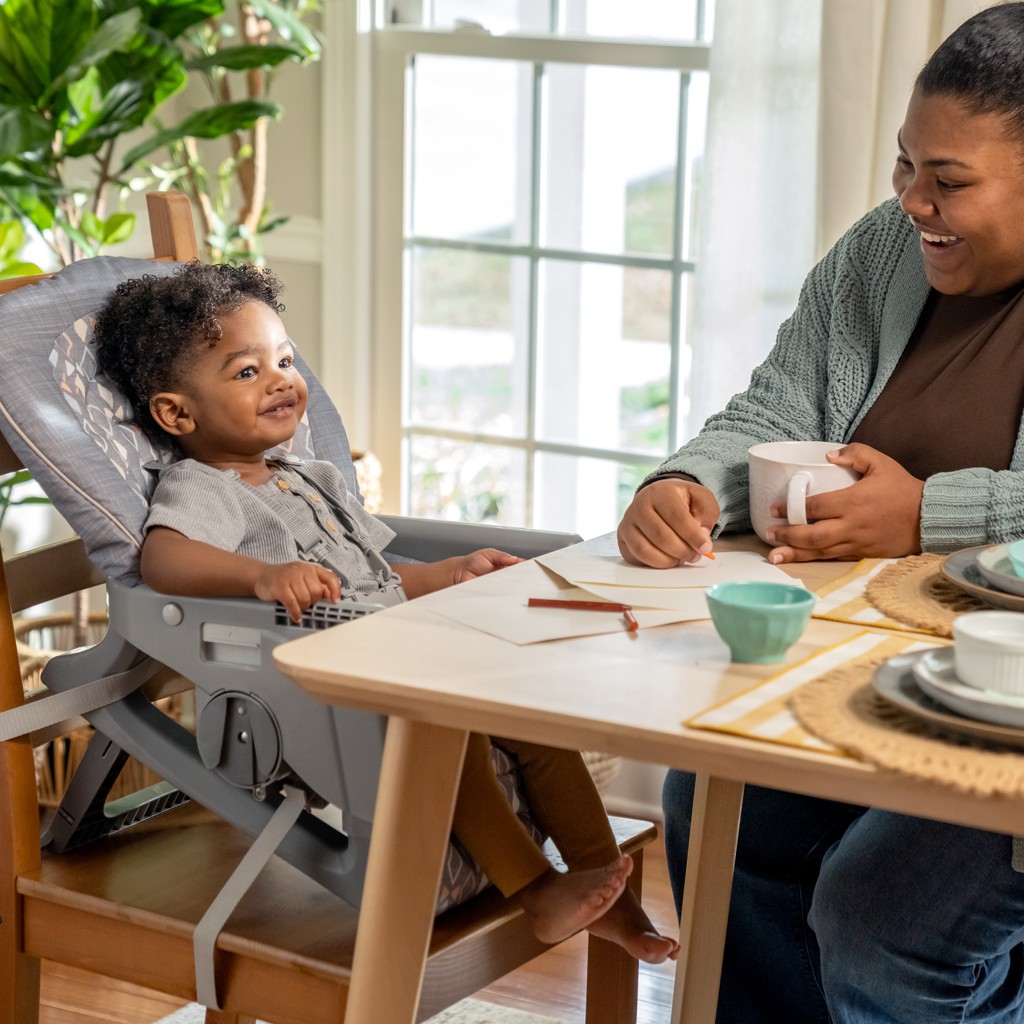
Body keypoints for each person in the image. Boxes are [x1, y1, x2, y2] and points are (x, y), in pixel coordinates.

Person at [617, 3, 1024, 1020]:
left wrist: (930, 511)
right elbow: (771, 408)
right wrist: (687, 482)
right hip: (866, 660)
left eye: (948, 179)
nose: (912, 201)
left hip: (1008, 710)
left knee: (881, 919)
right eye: (904, 165)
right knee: (716, 803)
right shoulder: (881, 251)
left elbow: (930, 514)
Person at [93, 260, 679, 964]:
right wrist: (262, 575)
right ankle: (536, 892)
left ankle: (601, 886)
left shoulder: (314, 477)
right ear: (177, 414)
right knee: (446, 730)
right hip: (337, 683)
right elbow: (164, 561)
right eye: (247, 372)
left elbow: (377, 576)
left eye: (284, 358)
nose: (281, 378)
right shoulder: (206, 486)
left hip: (403, 646)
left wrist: (447, 574)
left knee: (531, 719)